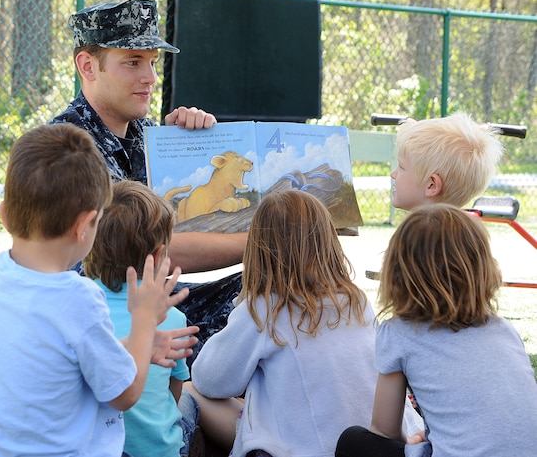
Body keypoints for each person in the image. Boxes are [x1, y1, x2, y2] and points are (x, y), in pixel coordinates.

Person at [0, 123, 196, 457]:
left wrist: (132, 346)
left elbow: (56, 355)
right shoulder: (77, 298)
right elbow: (125, 395)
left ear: (4, 214)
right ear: (85, 227)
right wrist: (144, 322)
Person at [50, 0, 245, 350]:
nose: (151, 78)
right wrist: (265, 242)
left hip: (147, 301)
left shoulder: (145, 133)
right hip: (103, 323)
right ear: (88, 66)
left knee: (274, 284)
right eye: (133, 62)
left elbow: (185, 217)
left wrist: (186, 150)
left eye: (153, 63)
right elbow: (147, 251)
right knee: (271, 281)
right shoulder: (68, 148)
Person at [187, 190, 382, 457]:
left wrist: (242, 306)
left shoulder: (263, 308)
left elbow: (208, 379)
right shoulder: (355, 299)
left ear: (258, 249)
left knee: (191, 390)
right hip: (372, 444)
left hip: (303, 450)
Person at [335, 204, 537, 457]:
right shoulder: (504, 329)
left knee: (354, 441)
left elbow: (385, 430)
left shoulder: (398, 334)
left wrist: (413, 443)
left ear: (397, 273)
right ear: (483, 267)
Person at [83, 180, 195, 457]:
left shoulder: (79, 306)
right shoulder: (171, 316)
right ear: (158, 256)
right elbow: (174, 389)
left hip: (95, 447)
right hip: (159, 451)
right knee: (192, 401)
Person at [390, 111, 504, 211]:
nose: (393, 174)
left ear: (431, 185)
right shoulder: (462, 232)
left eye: (401, 167)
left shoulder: (419, 234)